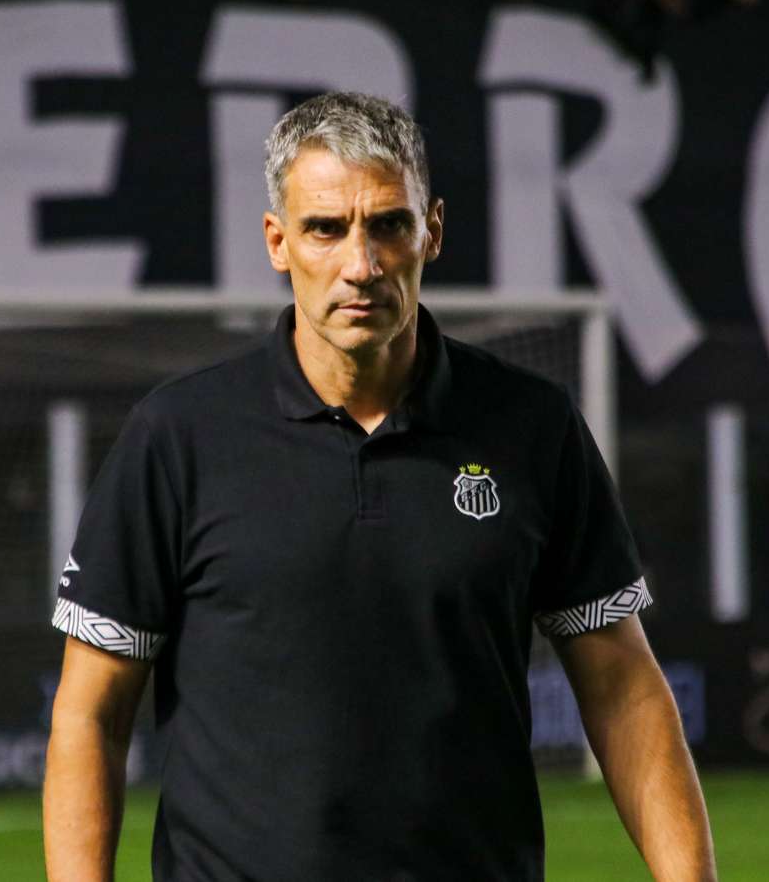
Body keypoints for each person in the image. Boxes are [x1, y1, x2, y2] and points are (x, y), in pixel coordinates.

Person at [44, 92, 715, 881]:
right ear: (278, 241)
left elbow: (623, 687)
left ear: (433, 230)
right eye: (326, 229)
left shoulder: (532, 426)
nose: (360, 265)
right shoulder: (179, 435)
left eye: (389, 225)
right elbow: (90, 713)